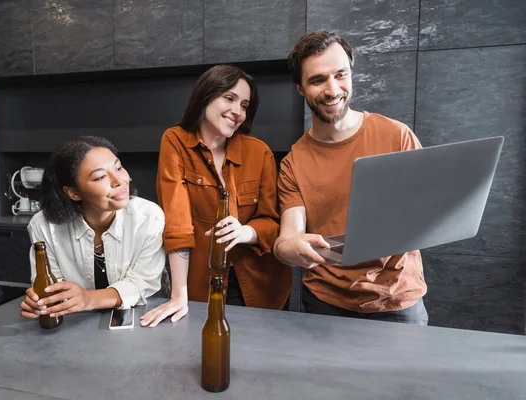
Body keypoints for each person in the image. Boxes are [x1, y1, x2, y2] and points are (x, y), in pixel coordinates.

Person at [274, 31, 428, 325]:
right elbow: (287, 238)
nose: (332, 90)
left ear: (351, 74)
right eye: (317, 80)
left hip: (397, 301)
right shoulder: (294, 162)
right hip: (324, 303)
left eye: (340, 75)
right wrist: (290, 249)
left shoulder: (397, 136)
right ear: (300, 88)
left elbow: (427, 210)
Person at [140, 65, 291, 327]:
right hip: (202, 282)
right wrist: (179, 295)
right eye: (229, 98)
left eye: (245, 105)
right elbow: (178, 224)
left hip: (261, 285)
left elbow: (272, 221)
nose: (238, 111)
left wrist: (245, 232)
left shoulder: (260, 152)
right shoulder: (175, 141)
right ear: (206, 95)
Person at [20, 136, 166, 320]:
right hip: (74, 324)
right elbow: (51, 285)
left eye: (118, 168)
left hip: (141, 318)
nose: (119, 181)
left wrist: (88, 298)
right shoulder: (44, 225)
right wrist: (42, 303)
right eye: (100, 177)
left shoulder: (149, 217)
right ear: (74, 193)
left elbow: (143, 282)